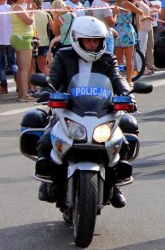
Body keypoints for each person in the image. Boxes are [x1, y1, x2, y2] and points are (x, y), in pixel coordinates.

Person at [35, 16, 130, 208]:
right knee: (46, 141)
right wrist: (48, 91)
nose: (93, 45)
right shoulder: (64, 55)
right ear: (77, 39)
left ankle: (115, 185)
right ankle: (48, 182)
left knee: (123, 143)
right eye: (88, 40)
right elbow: (54, 78)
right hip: (68, 109)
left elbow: (117, 79)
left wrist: (128, 95)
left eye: (96, 41)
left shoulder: (107, 58)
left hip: (100, 111)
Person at [9, 0, 36, 102]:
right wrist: (33, 11)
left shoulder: (16, 7)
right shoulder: (18, 7)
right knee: (25, 69)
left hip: (20, 37)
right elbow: (29, 21)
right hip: (22, 38)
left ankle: (22, 93)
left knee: (22, 69)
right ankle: (24, 94)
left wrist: (30, 9)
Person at [114, 0, 142, 86]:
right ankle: (128, 80)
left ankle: (117, 79)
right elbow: (140, 12)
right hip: (127, 31)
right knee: (129, 58)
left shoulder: (116, 4)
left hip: (118, 30)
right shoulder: (127, 3)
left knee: (118, 58)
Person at [0, 0, 18, 95]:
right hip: (11, 39)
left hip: (0, 41)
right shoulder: (11, 9)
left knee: (1, 66)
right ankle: (19, 84)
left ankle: (4, 86)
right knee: (13, 63)